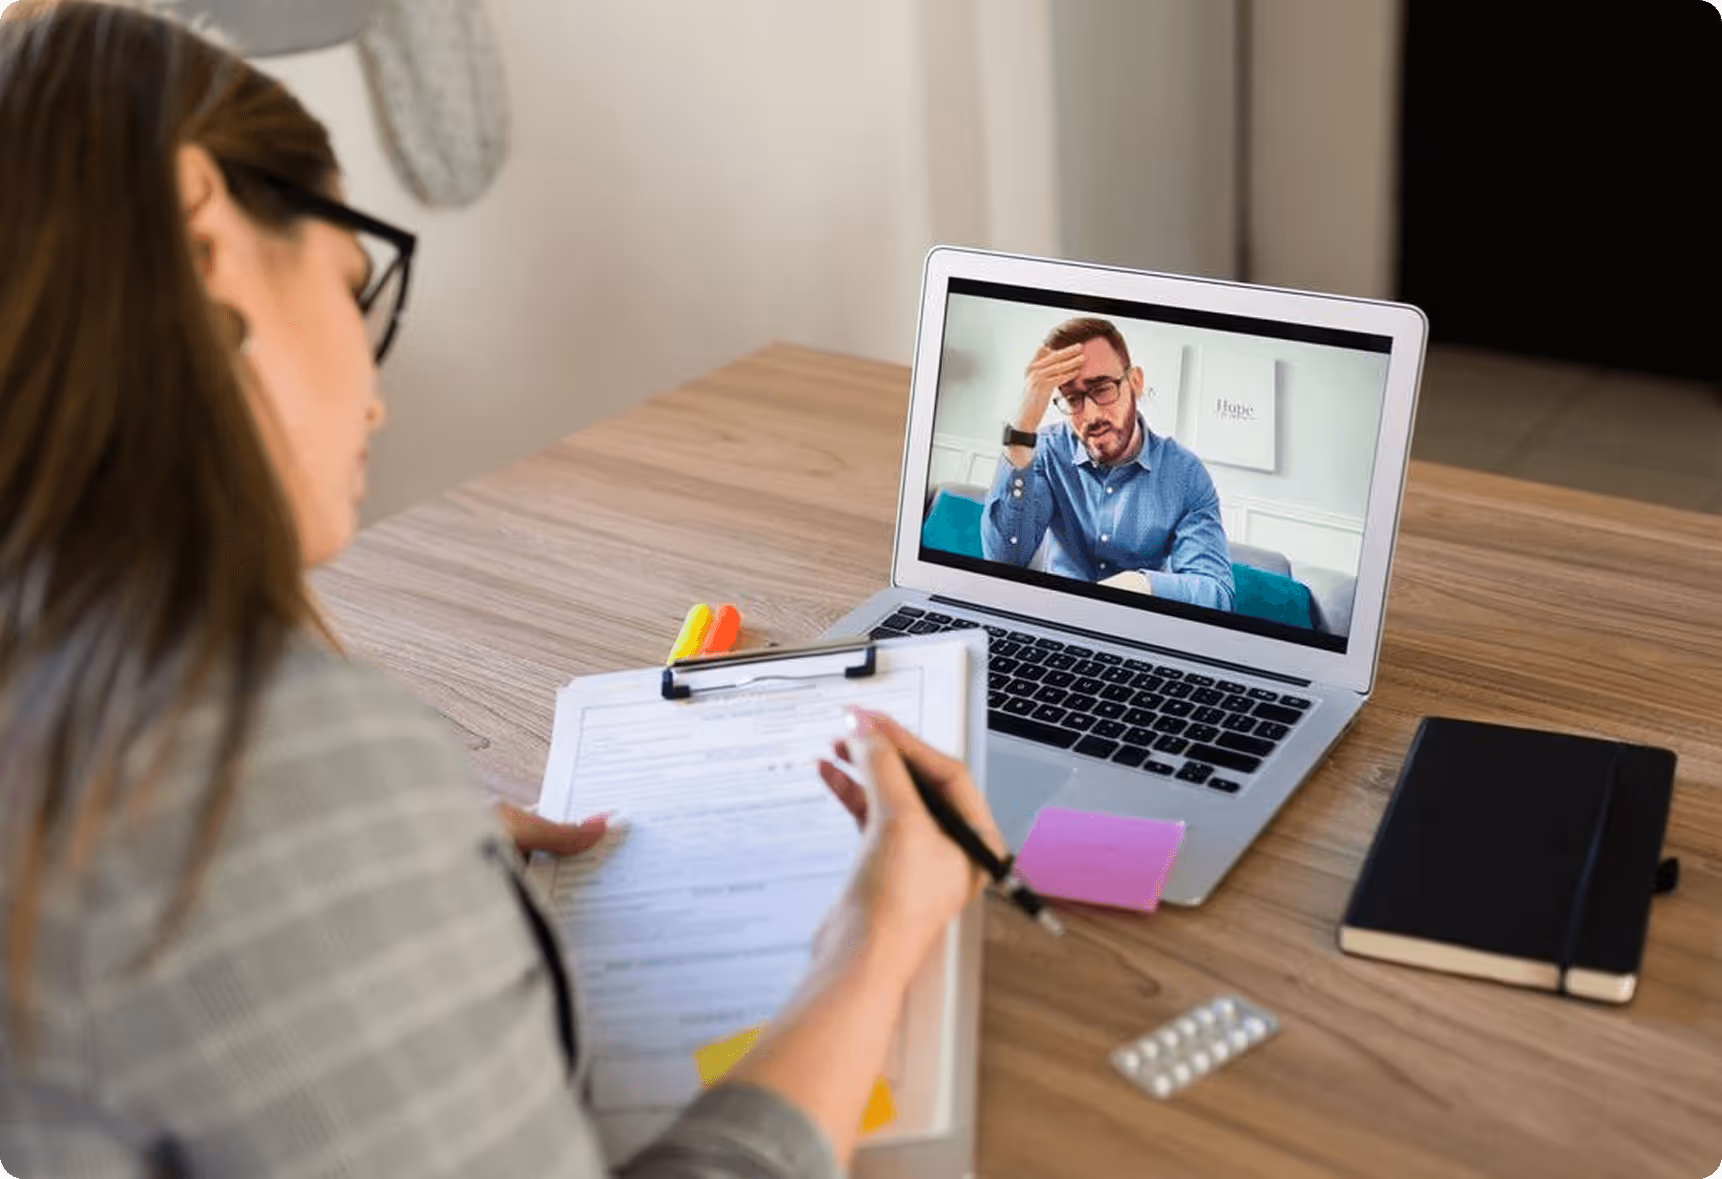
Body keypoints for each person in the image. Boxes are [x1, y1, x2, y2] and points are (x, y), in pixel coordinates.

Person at [0, 4, 1003, 1176]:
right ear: (205, 230)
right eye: (355, 283)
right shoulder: (240, 776)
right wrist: (875, 940)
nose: (376, 399)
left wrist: (399, 893)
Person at [981, 316, 1235, 611]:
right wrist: (1021, 430)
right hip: (1059, 618)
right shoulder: (1047, 452)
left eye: (1101, 388)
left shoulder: (1185, 474)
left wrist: (1139, 585)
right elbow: (1003, 561)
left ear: (1135, 382)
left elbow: (1216, 594)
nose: (1090, 416)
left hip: (1140, 623)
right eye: (1073, 398)